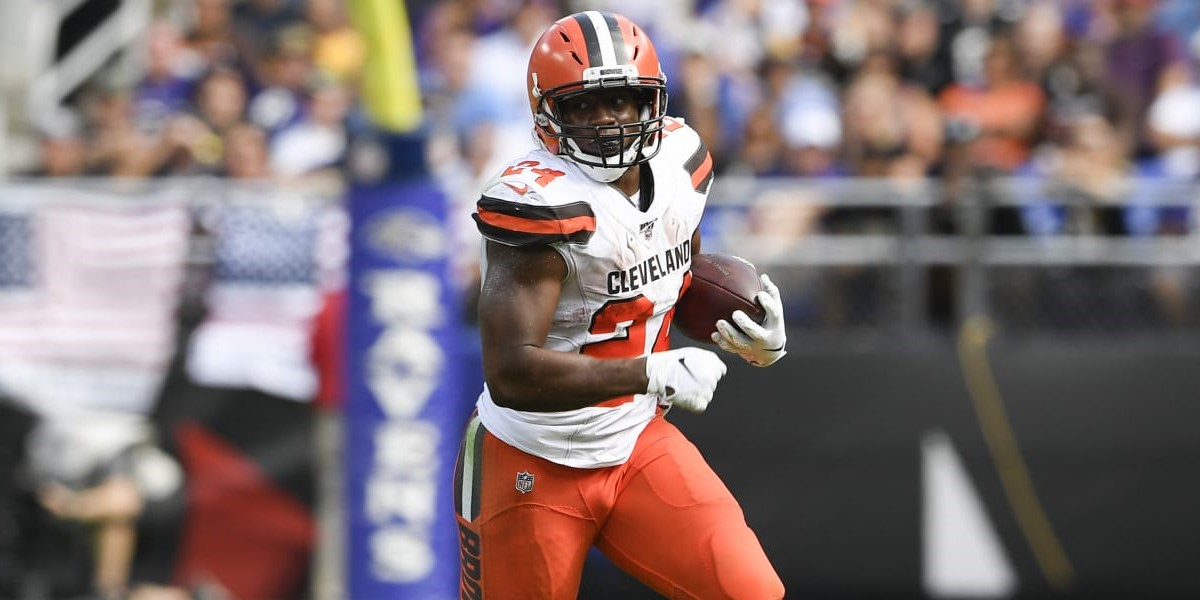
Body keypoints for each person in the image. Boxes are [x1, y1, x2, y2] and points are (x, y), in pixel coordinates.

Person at [457, 11, 787, 599]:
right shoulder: (540, 202)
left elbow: (669, 284)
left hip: (636, 441)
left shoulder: (682, 163)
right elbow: (511, 372)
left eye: (621, 101)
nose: (607, 120)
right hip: (530, 458)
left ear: (652, 101)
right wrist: (650, 372)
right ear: (548, 113)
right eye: (584, 106)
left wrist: (745, 331)